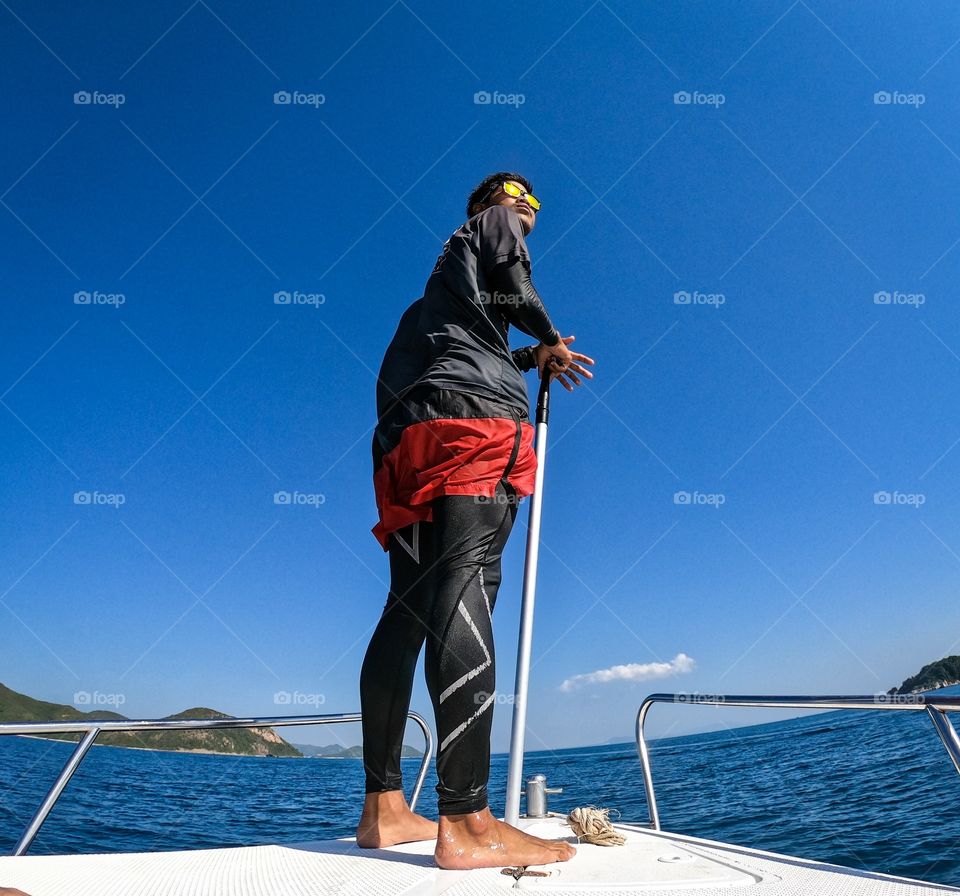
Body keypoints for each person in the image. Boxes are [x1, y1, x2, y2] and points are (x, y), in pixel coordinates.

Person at [356, 172, 594, 870]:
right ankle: (467, 821)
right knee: (467, 585)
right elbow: (510, 285)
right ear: (495, 200)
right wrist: (548, 331)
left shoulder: (430, 305)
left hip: (408, 444)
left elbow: (477, 337)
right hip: (472, 428)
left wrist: (527, 355)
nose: (529, 211)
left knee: (407, 607)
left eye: (532, 205)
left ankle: (384, 808)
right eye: (523, 198)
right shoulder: (494, 224)